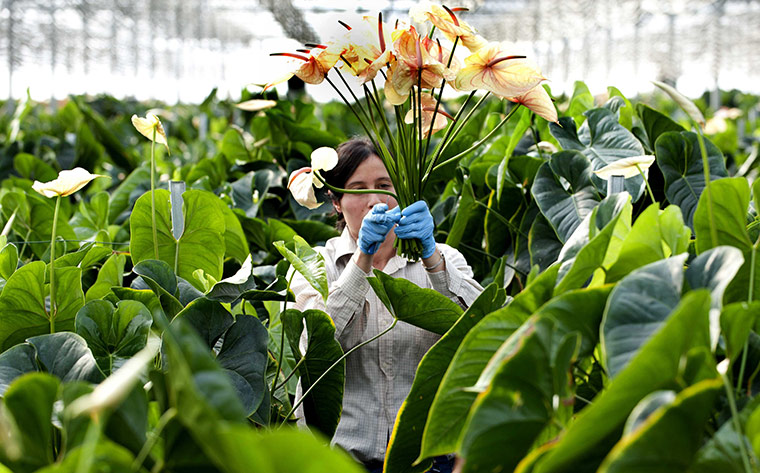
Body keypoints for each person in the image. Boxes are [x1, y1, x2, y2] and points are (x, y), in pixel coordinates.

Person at [290, 137, 483, 473]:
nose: (375, 200)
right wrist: (363, 257)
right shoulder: (315, 265)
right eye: (358, 189)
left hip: (430, 463)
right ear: (336, 201)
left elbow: (480, 334)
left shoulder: (445, 259)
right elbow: (313, 346)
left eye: (384, 185)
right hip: (338, 460)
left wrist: (431, 257)